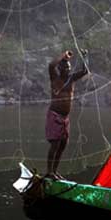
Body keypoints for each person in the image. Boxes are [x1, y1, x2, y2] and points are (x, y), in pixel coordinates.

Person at [46, 49, 89, 179]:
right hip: (54, 116)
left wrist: (84, 57)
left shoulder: (71, 79)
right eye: (65, 67)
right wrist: (63, 56)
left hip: (65, 118)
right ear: (60, 68)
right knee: (55, 144)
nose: (68, 69)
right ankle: (49, 172)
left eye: (69, 67)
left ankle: (55, 171)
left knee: (63, 145)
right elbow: (51, 65)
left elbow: (85, 71)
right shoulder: (54, 78)